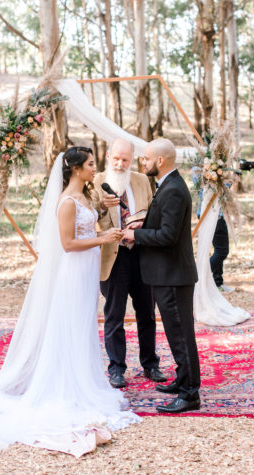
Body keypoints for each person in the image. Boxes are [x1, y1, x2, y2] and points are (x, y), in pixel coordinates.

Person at [0, 147, 140, 457]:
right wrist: (104, 238)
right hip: (74, 271)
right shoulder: (67, 202)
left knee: (83, 325)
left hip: (87, 270)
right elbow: (68, 244)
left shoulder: (86, 196)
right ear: (74, 169)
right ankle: (65, 384)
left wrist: (103, 225)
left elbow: (88, 228)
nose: (93, 168)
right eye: (88, 164)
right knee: (70, 324)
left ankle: (83, 377)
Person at [123, 138, 201, 413]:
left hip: (173, 275)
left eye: (146, 158)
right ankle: (182, 380)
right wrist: (145, 223)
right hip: (166, 274)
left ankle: (190, 393)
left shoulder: (173, 190)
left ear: (160, 161)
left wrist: (136, 234)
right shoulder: (168, 186)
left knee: (181, 335)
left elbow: (168, 236)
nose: (143, 162)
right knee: (176, 333)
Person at [92, 138, 166, 389]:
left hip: (142, 254)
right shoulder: (96, 180)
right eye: (116, 158)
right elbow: (87, 216)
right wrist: (102, 206)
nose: (120, 164)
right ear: (108, 156)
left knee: (147, 312)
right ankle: (116, 369)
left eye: (125, 159)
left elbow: (155, 213)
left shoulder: (143, 180)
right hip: (114, 255)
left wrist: (144, 224)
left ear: (131, 159)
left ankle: (150, 364)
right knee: (114, 314)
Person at [191, 166, 234, 293]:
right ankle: (199, 276)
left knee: (217, 250)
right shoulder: (202, 170)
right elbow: (218, 190)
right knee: (222, 251)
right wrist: (228, 181)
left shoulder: (199, 169)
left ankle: (217, 281)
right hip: (213, 214)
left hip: (209, 213)